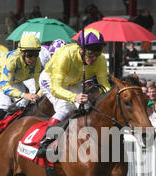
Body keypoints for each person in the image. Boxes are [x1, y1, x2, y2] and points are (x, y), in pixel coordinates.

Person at [37, 28, 110, 157]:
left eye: (97, 53)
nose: (93, 58)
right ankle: (45, 141)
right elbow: (55, 88)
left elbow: (104, 86)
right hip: (50, 79)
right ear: (81, 49)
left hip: (72, 81)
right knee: (64, 108)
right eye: (90, 53)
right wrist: (74, 97)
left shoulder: (100, 60)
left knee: (87, 107)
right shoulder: (65, 56)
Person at [0, 34, 43, 149]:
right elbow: (5, 87)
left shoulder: (37, 62)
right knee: (5, 104)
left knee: (23, 104)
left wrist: (37, 95)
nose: (33, 59)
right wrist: (25, 95)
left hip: (16, 78)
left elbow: (39, 85)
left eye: (36, 55)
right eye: (30, 55)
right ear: (22, 53)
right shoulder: (12, 61)